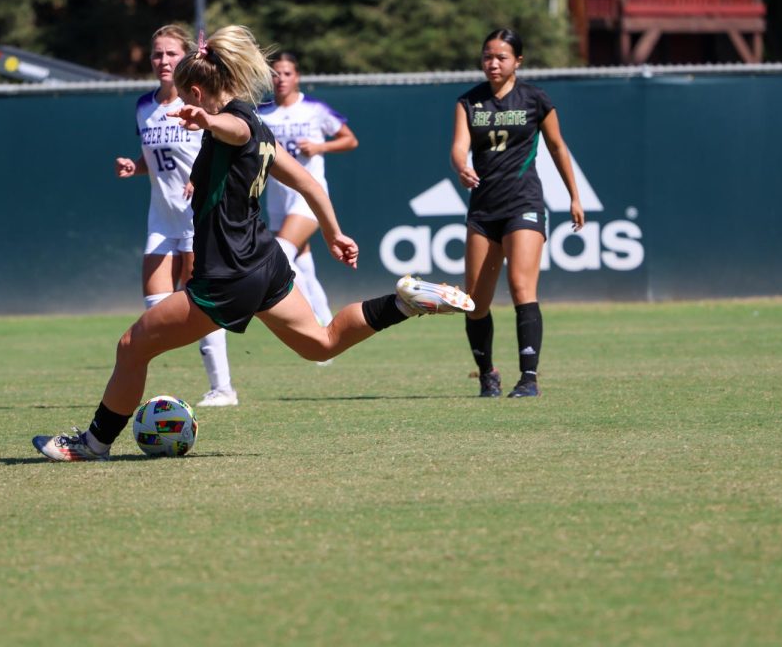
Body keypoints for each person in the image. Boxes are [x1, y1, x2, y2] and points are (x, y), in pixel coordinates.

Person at [33, 25, 474, 461]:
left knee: (132, 346)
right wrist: (333, 231)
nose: (184, 106)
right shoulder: (262, 127)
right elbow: (309, 184)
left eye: (188, 97)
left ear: (197, 90)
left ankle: (93, 444)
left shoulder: (235, 124)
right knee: (320, 344)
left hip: (228, 273)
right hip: (266, 264)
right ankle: (405, 303)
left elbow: (231, 128)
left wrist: (207, 119)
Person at [450, 28, 584, 399]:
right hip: (483, 208)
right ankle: (486, 373)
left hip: (523, 203)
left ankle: (529, 378)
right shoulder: (468, 102)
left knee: (522, 288)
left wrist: (574, 196)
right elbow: (459, 148)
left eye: (502, 57)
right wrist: (461, 165)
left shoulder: (535, 99)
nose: (493, 63)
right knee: (475, 302)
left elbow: (557, 147)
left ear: (518, 62)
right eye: (488, 56)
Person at [115, 24, 241, 408]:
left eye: (171, 53)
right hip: (162, 217)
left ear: (186, 57)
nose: (163, 61)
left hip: (195, 216)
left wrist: (200, 177)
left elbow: (224, 148)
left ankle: (223, 388)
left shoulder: (199, 101)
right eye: (157, 54)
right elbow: (158, 158)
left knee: (199, 301)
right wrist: (135, 166)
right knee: (155, 302)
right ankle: (144, 381)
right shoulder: (143, 106)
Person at [258, 53, 358, 327]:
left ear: (297, 77)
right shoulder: (262, 112)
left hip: (308, 196)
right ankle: (327, 325)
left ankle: (310, 325)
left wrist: (319, 147)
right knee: (303, 267)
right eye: (276, 74)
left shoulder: (314, 109)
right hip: (278, 198)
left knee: (280, 254)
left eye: (287, 73)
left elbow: (350, 140)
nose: (281, 79)